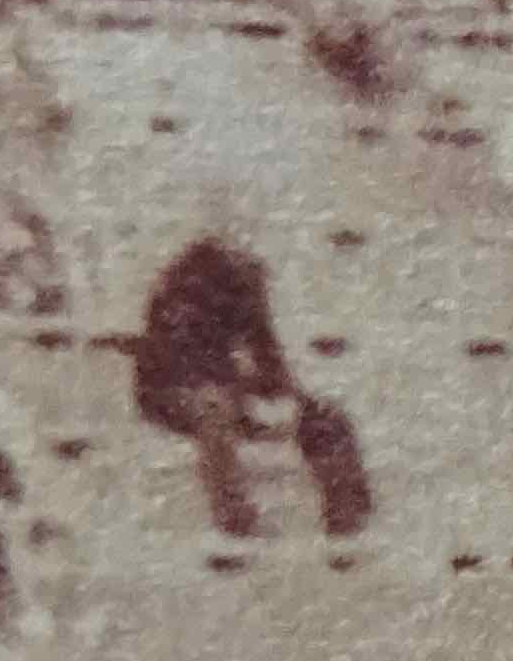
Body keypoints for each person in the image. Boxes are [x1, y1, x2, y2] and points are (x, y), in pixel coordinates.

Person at [128, 233, 374, 545]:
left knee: (324, 416)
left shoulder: (244, 297)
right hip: (169, 392)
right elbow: (168, 364)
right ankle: (233, 516)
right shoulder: (179, 302)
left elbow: (268, 363)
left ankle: (347, 509)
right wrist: (238, 392)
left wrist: (288, 402)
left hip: (225, 391)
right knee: (214, 412)